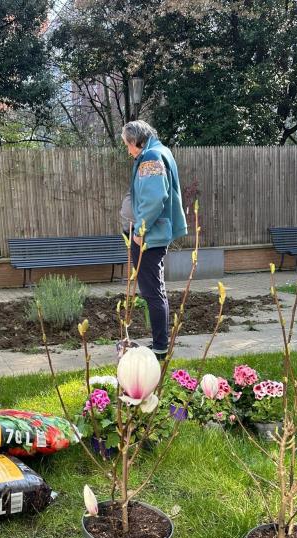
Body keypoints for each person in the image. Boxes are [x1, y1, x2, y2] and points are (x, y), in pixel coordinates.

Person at [121, 120, 187, 361]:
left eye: (127, 145)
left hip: (149, 237)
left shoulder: (150, 158)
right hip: (152, 234)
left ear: (136, 141)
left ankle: (160, 347)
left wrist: (140, 231)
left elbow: (155, 198)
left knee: (152, 292)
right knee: (156, 290)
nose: (128, 150)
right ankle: (160, 344)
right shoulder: (160, 151)